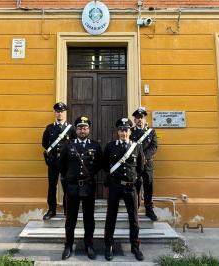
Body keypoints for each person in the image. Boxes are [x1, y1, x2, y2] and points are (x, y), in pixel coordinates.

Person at [58, 116, 102, 260]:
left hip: (88, 186)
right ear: (76, 130)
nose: (82, 130)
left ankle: (89, 245)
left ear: (88, 129)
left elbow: (99, 165)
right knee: (71, 218)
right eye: (79, 128)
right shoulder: (67, 145)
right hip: (72, 187)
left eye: (85, 128)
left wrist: (88, 177)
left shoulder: (95, 146)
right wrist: (70, 178)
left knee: (89, 218)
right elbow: (61, 166)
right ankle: (68, 245)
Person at [103, 118, 145, 261]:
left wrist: (133, 180)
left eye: (126, 130)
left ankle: (135, 246)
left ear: (130, 131)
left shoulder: (137, 147)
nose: (123, 133)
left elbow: (141, 167)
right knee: (111, 218)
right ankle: (108, 246)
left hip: (130, 187)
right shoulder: (110, 146)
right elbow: (104, 165)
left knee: (133, 218)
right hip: (115, 187)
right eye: (121, 130)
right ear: (118, 131)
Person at [41, 102, 76, 220]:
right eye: (57, 111)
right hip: (53, 162)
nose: (59, 113)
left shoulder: (71, 129)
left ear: (65, 113)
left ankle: (68, 210)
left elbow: (74, 144)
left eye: (61, 111)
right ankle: (52, 210)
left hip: (66, 162)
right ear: (55, 113)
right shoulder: (49, 128)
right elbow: (44, 143)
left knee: (67, 186)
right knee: (52, 186)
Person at [130, 107, 158, 221]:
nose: (139, 120)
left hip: (147, 164)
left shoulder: (151, 132)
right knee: (135, 187)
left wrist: (145, 157)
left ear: (145, 119)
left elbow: (154, 146)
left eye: (141, 118)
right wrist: (138, 158)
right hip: (135, 164)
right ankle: (134, 209)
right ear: (134, 120)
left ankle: (149, 209)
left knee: (148, 186)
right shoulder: (130, 131)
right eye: (137, 118)